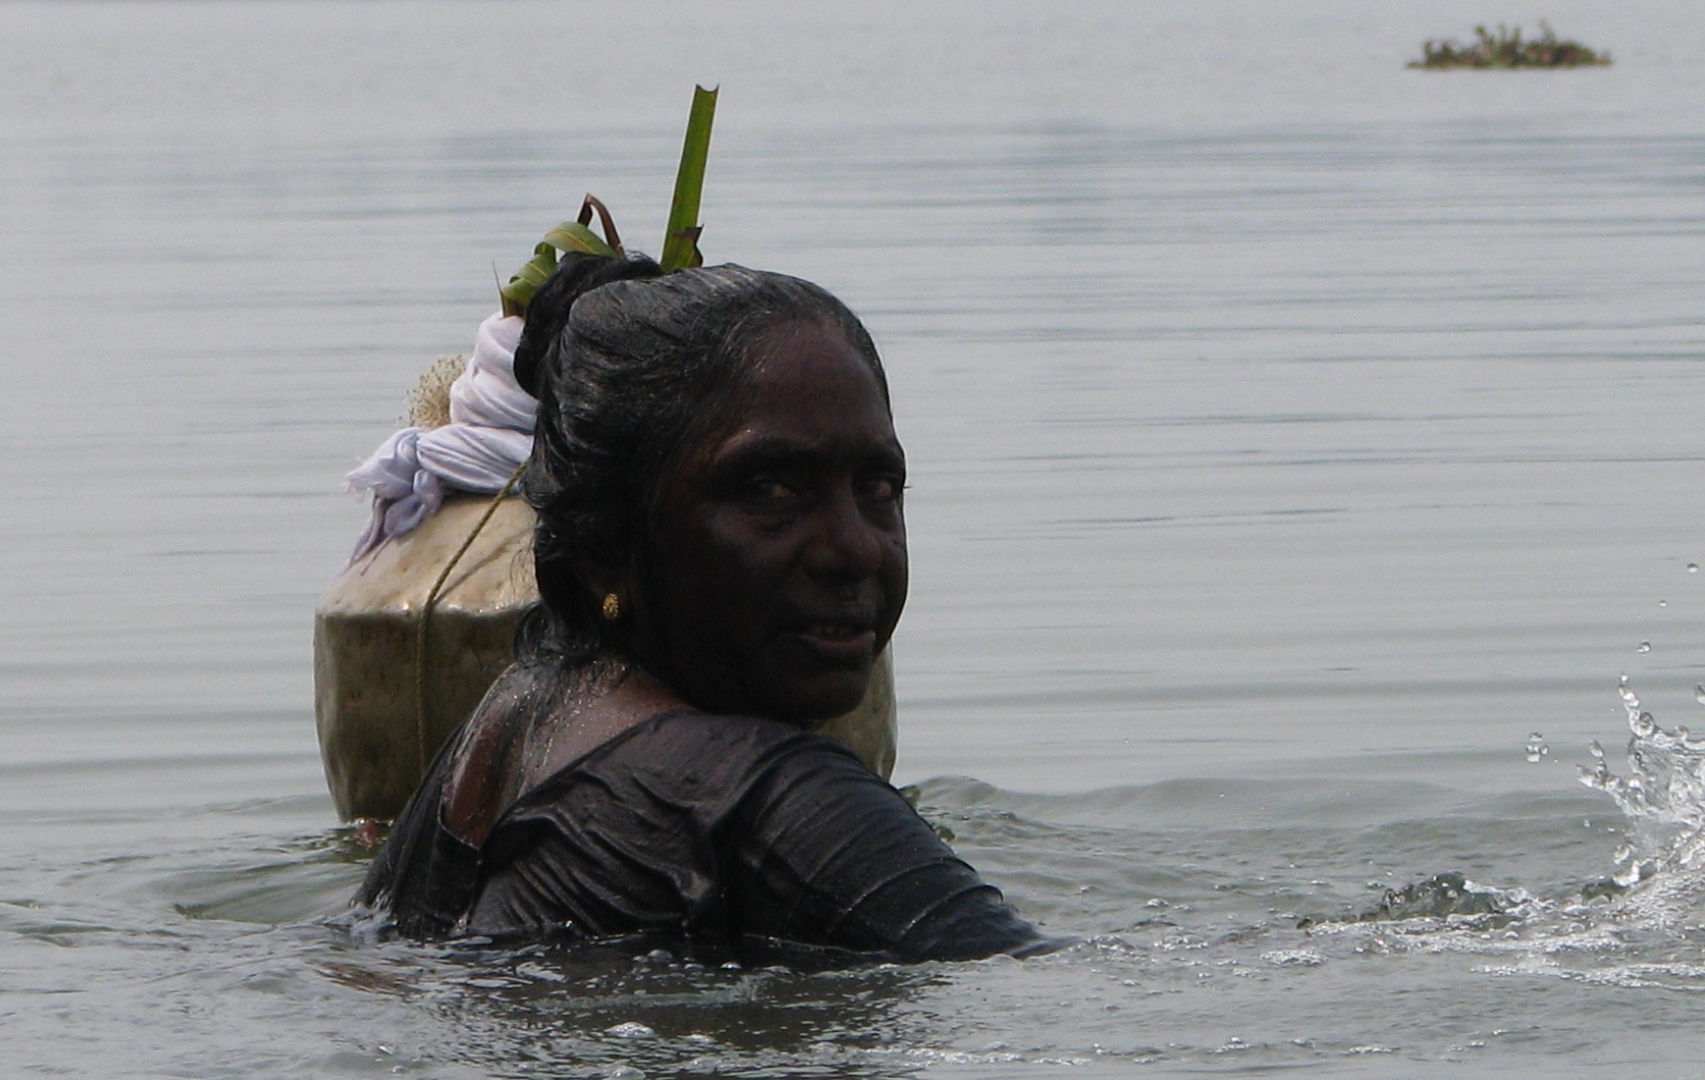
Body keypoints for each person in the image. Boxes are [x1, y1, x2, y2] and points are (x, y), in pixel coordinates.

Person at [356, 254, 1052, 962]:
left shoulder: (511, 723)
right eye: (772, 490)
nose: (854, 550)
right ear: (604, 542)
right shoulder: (773, 801)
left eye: (877, 486)